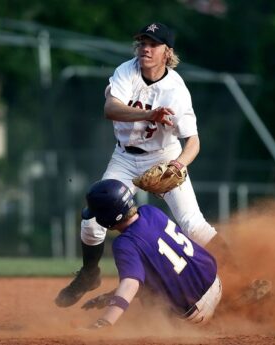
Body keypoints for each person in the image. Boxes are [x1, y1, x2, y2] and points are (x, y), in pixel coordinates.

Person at [55, 22, 222, 308]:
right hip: (124, 157)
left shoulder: (176, 91)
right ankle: (89, 274)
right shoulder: (126, 71)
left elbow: (193, 142)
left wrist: (178, 166)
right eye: (142, 42)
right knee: (93, 219)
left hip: (163, 156)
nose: (145, 48)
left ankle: (242, 274)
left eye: (153, 44)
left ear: (167, 52)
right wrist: (150, 115)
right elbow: (110, 109)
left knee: (194, 226)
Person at [78, 179, 222, 327]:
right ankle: (224, 310)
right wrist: (109, 297)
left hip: (195, 313)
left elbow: (131, 284)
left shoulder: (124, 243)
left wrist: (106, 321)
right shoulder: (150, 211)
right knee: (152, 276)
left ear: (106, 217)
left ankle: (194, 327)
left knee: (150, 301)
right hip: (216, 284)